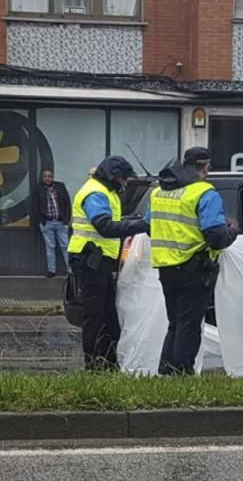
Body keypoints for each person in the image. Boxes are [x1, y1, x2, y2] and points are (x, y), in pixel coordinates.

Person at [148, 147, 238, 375]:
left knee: (176, 323)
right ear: (205, 167)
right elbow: (216, 238)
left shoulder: (158, 191)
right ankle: (181, 373)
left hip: (166, 267)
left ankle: (167, 370)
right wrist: (232, 230)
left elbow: (151, 225)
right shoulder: (204, 193)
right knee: (189, 325)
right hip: (194, 267)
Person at [67, 157, 149, 370]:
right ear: (112, 176)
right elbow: (105, 226)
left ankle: (108, 363)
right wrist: (140, 225)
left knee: (107, 315)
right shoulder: (95, 193)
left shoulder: (106, 192)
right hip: (91, 261)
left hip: (99, 261)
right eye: (123, 179)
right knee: (95, 316)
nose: (125, 183)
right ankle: (95, 366)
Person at [32, 168, 71, 277]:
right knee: (50, 247)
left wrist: (66, 220)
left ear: (53, 177)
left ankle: (70, 269)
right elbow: (35, 206)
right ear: (42, 177)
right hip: (47, 223)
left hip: (61, 222)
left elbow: (67, 203)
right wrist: (41, 220)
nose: (47, 178)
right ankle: (52, 270)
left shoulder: (60, 187)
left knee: (65, 246)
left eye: (49, 176)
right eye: (45, 176)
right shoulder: (38, 189)